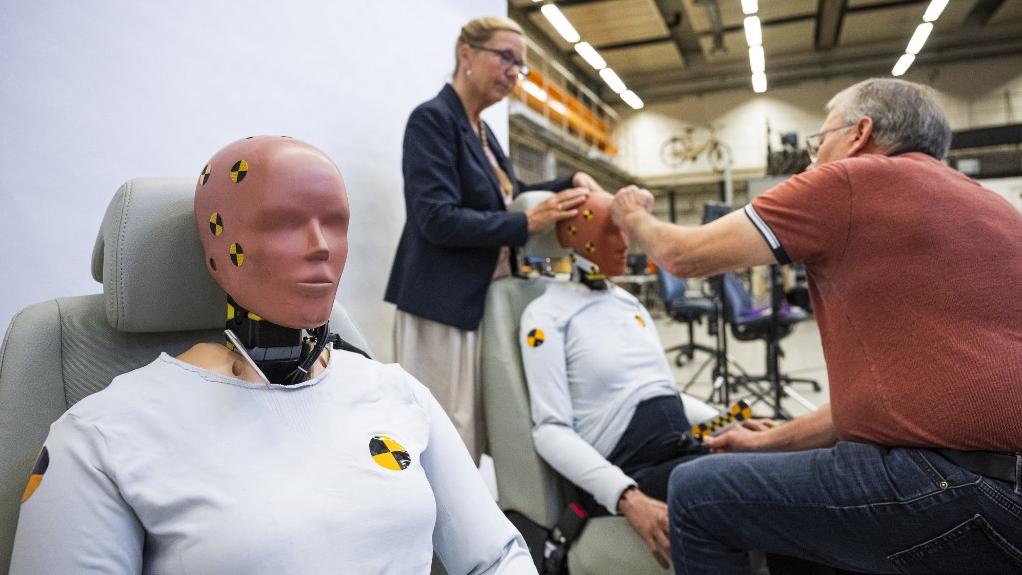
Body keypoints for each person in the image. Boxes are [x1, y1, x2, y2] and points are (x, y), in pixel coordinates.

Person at [10, 136, 537, 575]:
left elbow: (496, 558)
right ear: (216, 244)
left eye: (335, 222)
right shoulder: (105, 433)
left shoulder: (396, 395)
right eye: (284, 222)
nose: (321, 246)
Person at [610, 78, 1022, 574]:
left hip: (958, 489)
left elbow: (684, 255)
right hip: (999, 488)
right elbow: (886, 410)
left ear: (859, 133)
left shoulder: (852, 179)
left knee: (697, 494)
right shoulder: (991, 206)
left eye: (818, 141)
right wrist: (766, 441)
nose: (811, 159)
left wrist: (633, 218)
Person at [385, 16, 605, 462]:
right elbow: (436, 219)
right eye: (507, 58)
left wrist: (566, 184)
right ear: (466, 53)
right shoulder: (432, 120)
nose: (514, 72)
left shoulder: (481, 130)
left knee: (473, 433)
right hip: (442, 306)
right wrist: (527, 224)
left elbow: (512, 195)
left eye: (520, 66)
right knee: (444, 436)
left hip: (479, 299)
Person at [518, 190, 718, 569]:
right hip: (631, 470)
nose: (627, 242)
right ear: (579, 236)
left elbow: (665, 393)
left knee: (787, 463)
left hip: (681, 451)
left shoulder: (629, 304)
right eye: (615, 231)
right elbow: (550, 430)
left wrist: (733, 422)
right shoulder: (545, 317)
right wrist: (626, 495)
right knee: (753, 488)